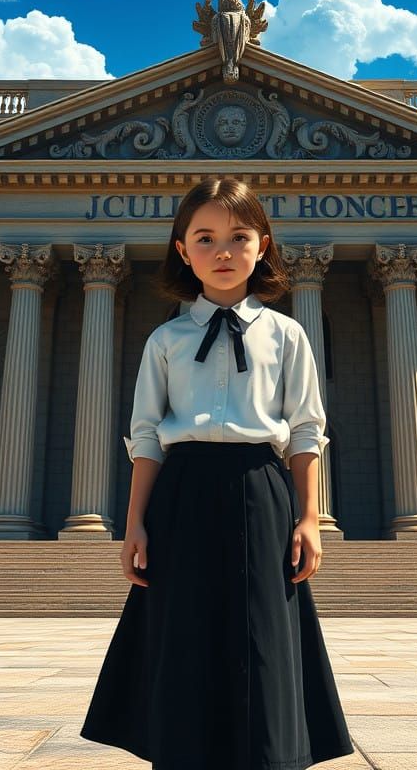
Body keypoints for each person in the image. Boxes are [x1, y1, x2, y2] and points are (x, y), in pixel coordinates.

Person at [80, 175, 355, 769]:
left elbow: (306, 431)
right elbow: (146, 437)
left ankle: (269, 756)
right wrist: (134, 524)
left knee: (264, 636)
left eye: (238, 237)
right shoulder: (166, 340)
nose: (222, 252)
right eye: (205, 238)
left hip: (262, 489)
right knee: (183, 634)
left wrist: (310, 517)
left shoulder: (287, 335)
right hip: (181, 494)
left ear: (262, 246)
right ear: (183, 250)